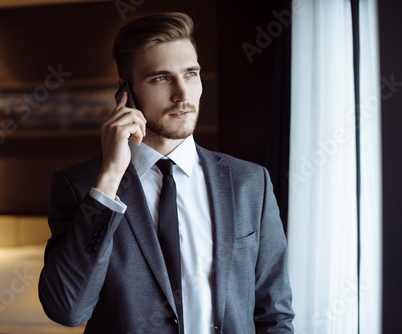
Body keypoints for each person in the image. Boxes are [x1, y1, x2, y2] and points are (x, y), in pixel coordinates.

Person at [39, 12, 294, 334]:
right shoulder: (80, 187)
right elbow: (67, 310)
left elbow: (275, 312)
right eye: (161, 78)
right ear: (126, 93)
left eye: (191, 74)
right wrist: (111, 176)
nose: (182, 95)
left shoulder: (249, 182)